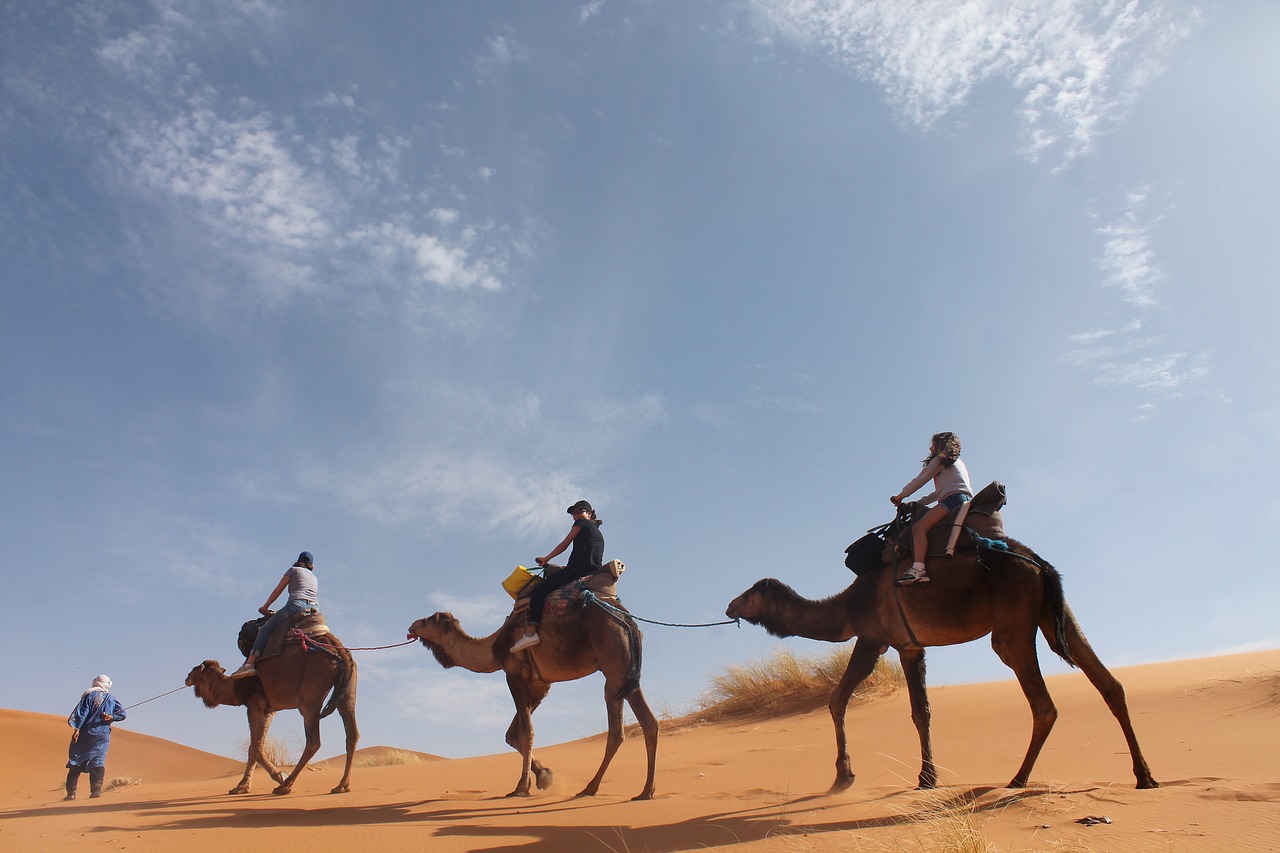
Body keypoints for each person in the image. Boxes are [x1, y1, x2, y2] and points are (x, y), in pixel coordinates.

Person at [511, 500, 604, 653]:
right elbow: (588, 558)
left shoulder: (581, 523)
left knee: (538, 591)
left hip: (577, 570)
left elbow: (564, 544)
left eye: (579, 511)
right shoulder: (597, 532)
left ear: (589, 513)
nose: (576, 515)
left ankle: (531, 633)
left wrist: (546, 559)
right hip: (592, 571)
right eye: (574, 513)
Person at [890, 432, 972, 586]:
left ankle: (918, 569)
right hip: (964, 499)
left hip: (952, 500)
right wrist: (919, 502)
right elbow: (938, 493)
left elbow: (921, 479)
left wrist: (900, 496)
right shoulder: (957, 463)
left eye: (933, 444)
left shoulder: (940, 459)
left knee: (918, 528)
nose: (930, 447)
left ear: (940, 445)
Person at [231, 551, 319, 678]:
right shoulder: (314, 577)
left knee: (265, 629)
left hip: (296, 605)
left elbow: (277, 591)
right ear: (311, 564)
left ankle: (248, 664)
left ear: (298, 561)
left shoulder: (293, 570)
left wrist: (265, 607)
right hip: (314, 607)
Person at [65, 675, 126, 800]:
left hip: (85, 734)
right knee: (98, 760)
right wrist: (111, 717)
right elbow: (122, 714)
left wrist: (76, 729)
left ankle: (71, 794)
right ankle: (96, 791)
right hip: (101, 735)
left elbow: (82, 714)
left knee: (76, 760)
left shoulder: (88, 696)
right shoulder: (111, 698)